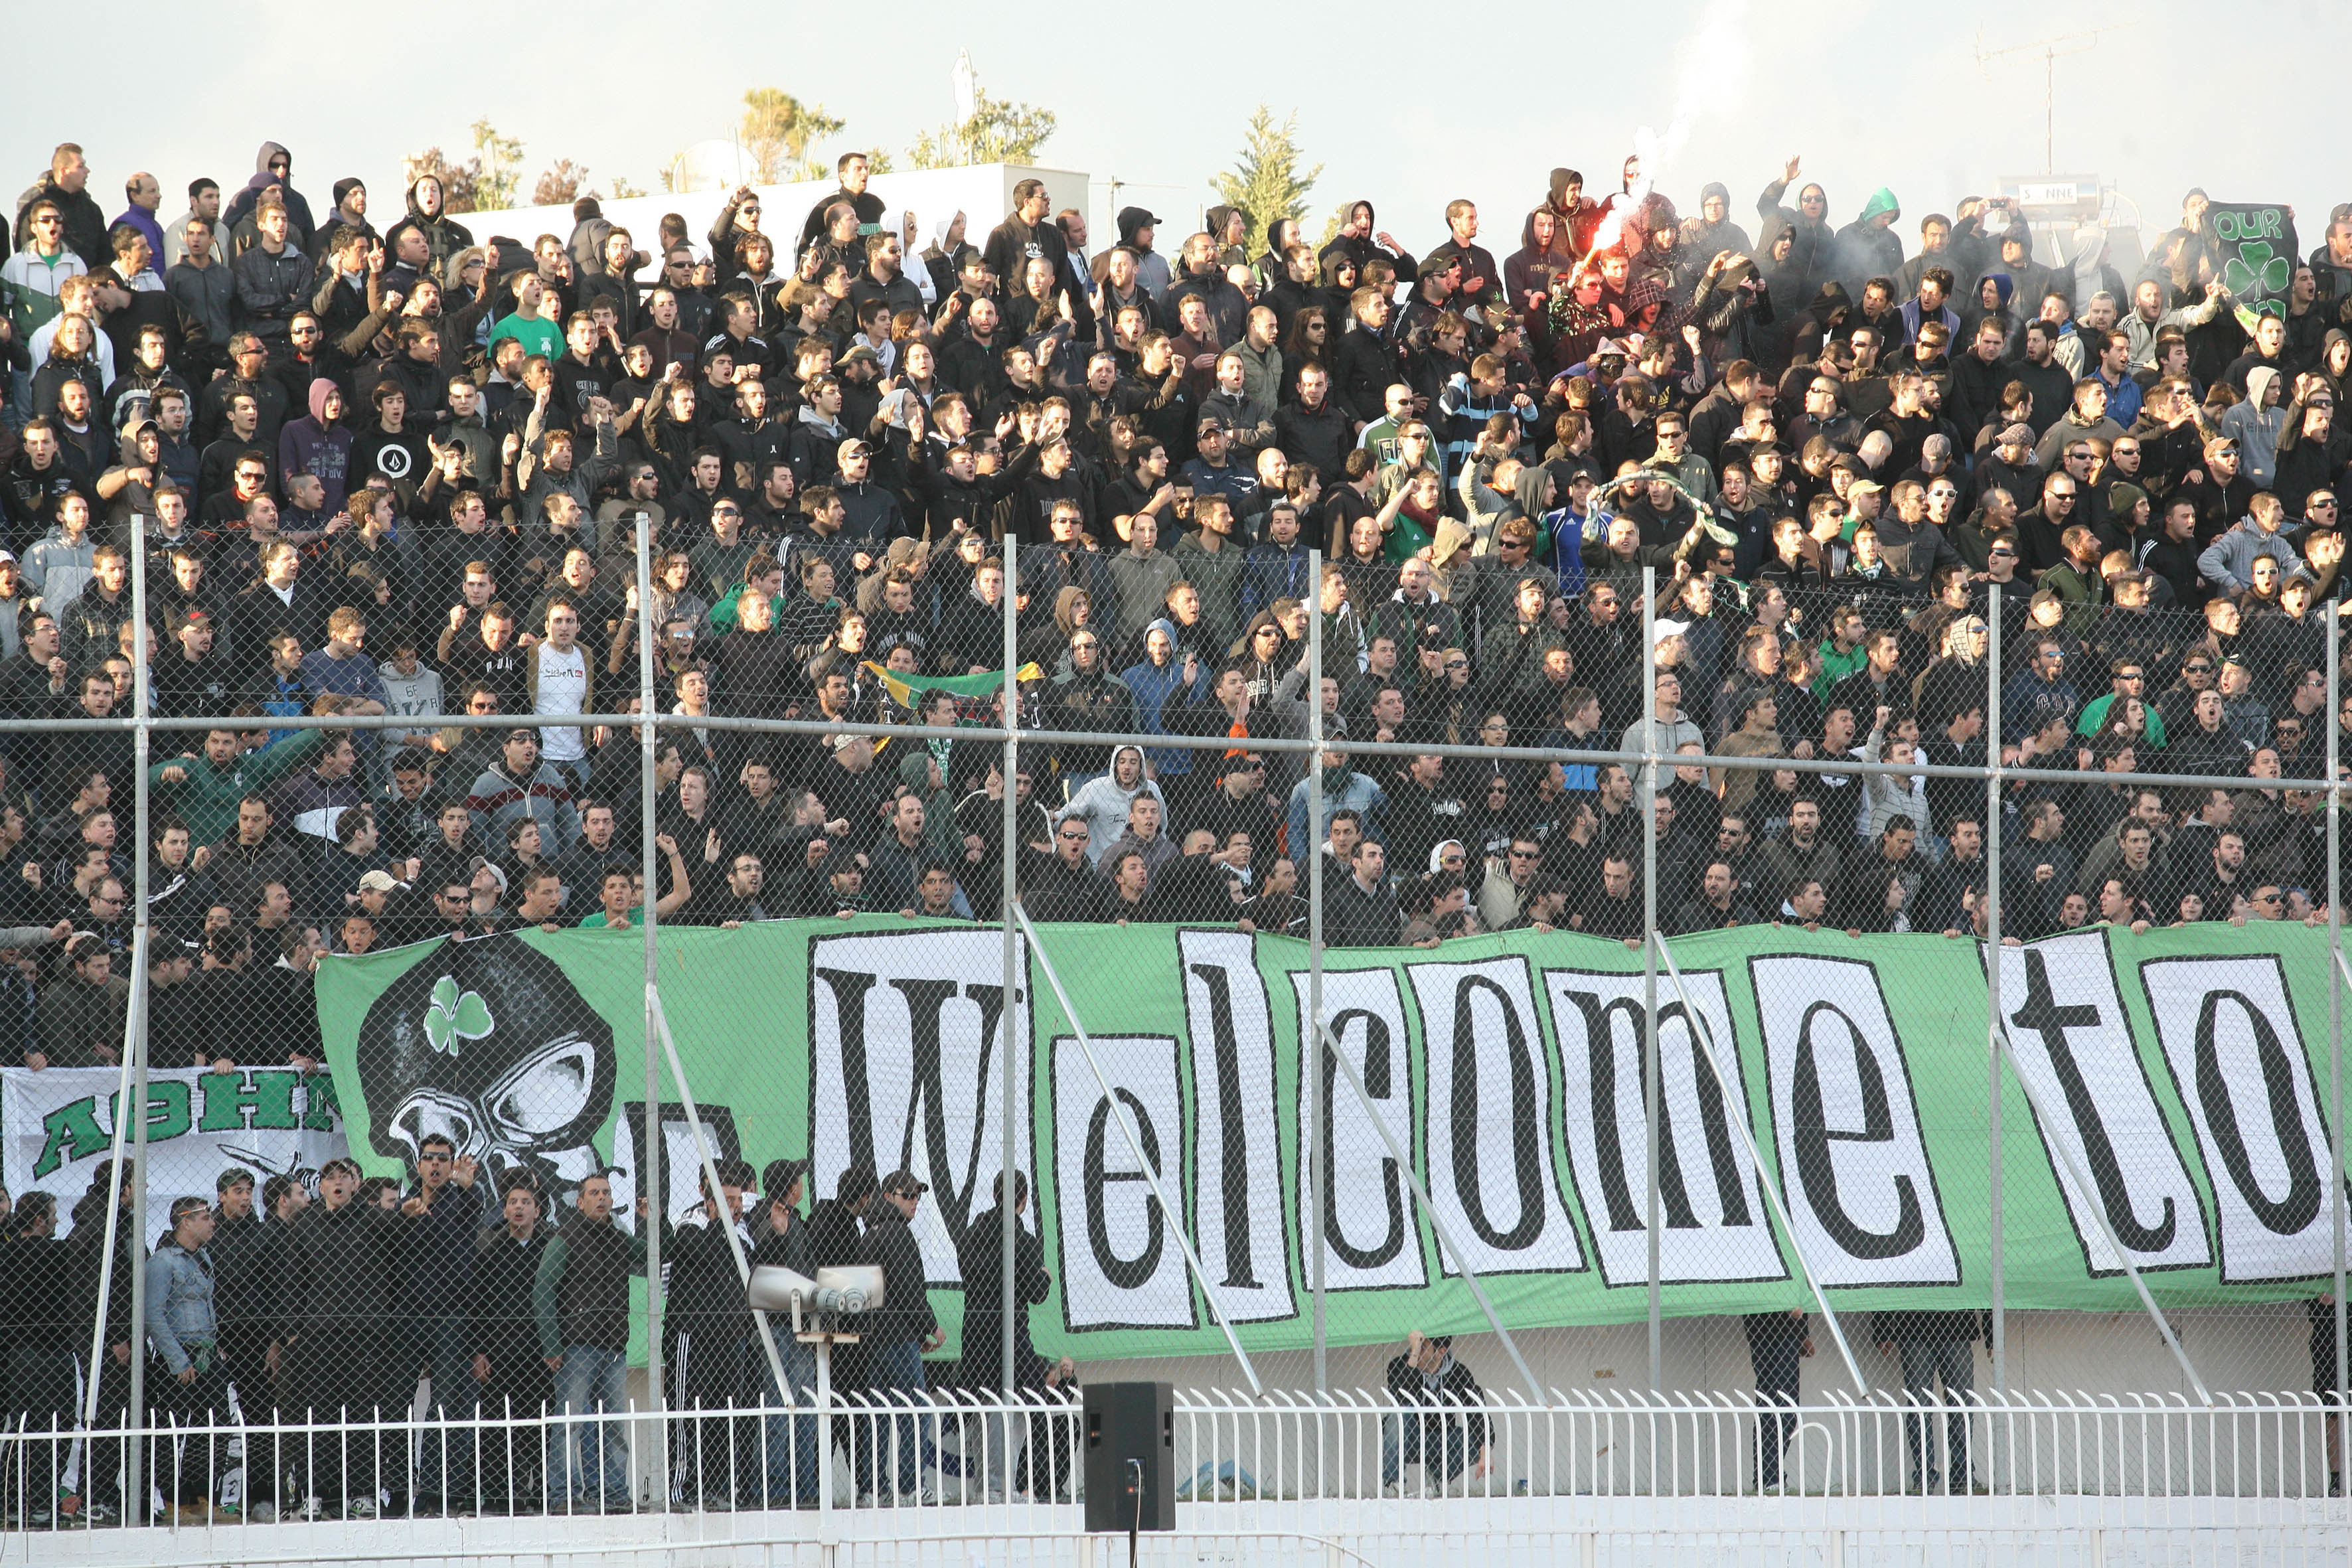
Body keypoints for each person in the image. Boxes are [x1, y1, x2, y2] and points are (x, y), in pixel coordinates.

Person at [532, 1171, 650, 1514]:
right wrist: (552, 1346)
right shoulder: (565, 1239)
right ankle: (565, 1497)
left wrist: (649, 1222)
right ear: (580, 1202)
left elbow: (656, 1253)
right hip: (577, 1348)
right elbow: (543, 1290)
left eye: (607, 1193)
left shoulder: (618, 1239)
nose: (602, 1198)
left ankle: (612, 1495)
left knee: (611, 1426)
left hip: (613, 1348)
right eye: (594, 1193)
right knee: (571, 1425)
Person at [854, 1170, 941, 1507]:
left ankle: (873, 1487)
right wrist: (929, 1327)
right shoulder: (897, 1234)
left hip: (874, 1338)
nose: (915, 1202)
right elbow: (908, 1289)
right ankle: (910, 1485)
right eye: (909, 1196)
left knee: (876, 1411)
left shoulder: (871, 1232)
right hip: (899, 1339)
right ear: (890, 1196)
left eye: (918, 1196)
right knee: (915, 1410)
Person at [143, 1195, 230, 1524]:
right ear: (185, 1221)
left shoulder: (204, 1259)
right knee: (170, 1429)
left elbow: (206, 1306)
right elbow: (154, 1314)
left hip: (206, 1353)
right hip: (177, 1355)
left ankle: (202, 1494)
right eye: (206, 1217)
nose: (212, 1223)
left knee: (215, 1425)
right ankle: (172, 1498)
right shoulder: (163, 1263)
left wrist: (214, 1344)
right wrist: (177, 1361)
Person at [1381, 1330, 1491, 1497]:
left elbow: (1477, 1410)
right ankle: (1393, 1485)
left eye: (1423, 1347)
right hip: (1409, 1439)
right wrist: (1414, 1355)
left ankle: (1436, 1479)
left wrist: (1485, 1453)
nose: (1417, 1351)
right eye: (1415, 1346)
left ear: (1441, 1352)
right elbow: (1398, 1395)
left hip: (1441, 1441)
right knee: (1397, 1414)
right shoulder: (1400, 1366)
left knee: (1475, 1440)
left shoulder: (1458, 1373)